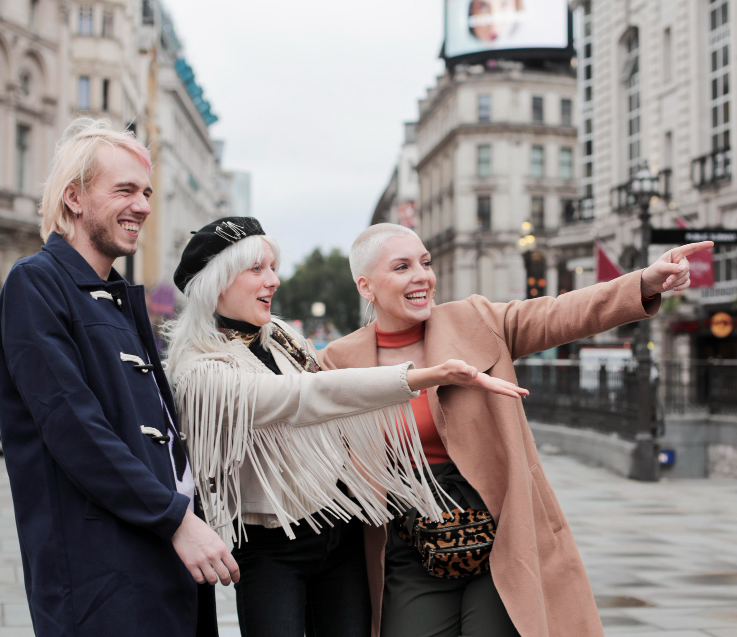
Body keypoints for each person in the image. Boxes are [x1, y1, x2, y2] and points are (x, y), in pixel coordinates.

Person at [319, 223, 712, 637]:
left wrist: (643, 283)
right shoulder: (337, 361)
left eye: (426, 263)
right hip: (410, 546)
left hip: (503, 537)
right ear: (366, 286)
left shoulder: (476, 319)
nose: (422, 276)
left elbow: (560, 314)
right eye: (402, 267)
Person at [163, 217, 527, 637]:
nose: (274, 280)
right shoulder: (199, 372)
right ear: (218, 282)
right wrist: (423, 375)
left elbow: (333, 390)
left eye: (273, 267)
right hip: (273, 550)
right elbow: (305, 398)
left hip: (341, 532)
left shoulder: (277, 333)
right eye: (257, 269)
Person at [0, 118, 234, 637]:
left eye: (146, 191)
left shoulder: (119, 294)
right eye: (124, 190)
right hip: (98, 570)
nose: (143, 205)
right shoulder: (34, 284)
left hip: (161, 554)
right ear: (75, 198)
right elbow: (74, 428)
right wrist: (176, 519)